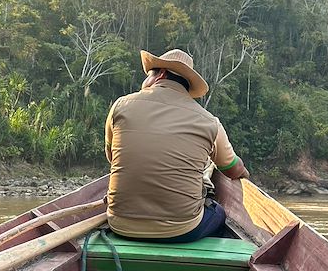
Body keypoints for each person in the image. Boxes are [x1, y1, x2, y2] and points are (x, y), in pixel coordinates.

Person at [104, 48, 249, 244]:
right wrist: (244, 174)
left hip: (120, 224)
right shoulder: (209, 121)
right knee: (219, 213)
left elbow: (113, 158)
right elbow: (234, 169)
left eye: (148, 75)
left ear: (160, 74)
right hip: (182, 230)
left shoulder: (120, 106)